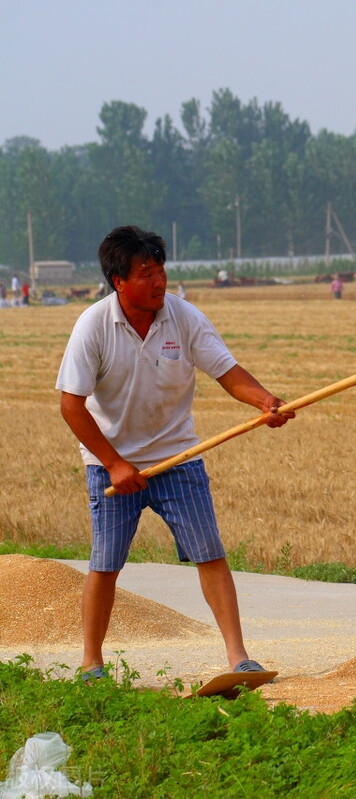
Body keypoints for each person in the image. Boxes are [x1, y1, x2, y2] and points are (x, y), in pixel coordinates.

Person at [56, 225, 295, 681]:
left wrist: (264, 401)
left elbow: (226, 370)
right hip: (113, 466)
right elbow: (71, 406)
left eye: (161, 270)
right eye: (146, 273)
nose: (160, 282)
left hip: (178, 458)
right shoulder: (93, 326)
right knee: (105, 564)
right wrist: (114, 463)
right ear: (119, 282)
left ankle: (239, 657)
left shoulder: (183, 317)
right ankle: (91, 663)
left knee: (210, 554)